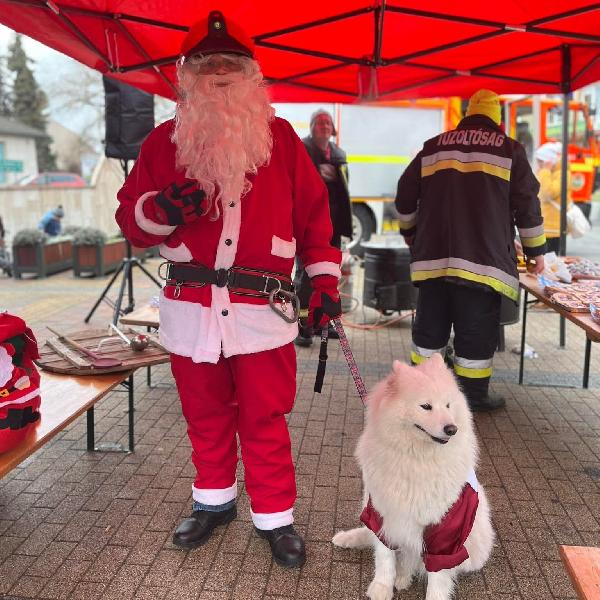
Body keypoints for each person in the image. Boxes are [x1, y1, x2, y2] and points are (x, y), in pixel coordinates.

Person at [114, 10, 341, 568]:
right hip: (191, 308)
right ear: (185, 74)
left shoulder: (283, 140)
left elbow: (316, 221)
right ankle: (213, 501)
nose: (218, 70)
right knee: (204, 410)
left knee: (264, 415)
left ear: (252, 74)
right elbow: (131, 222)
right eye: (205, 62)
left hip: (261, 309)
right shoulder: (161, 144)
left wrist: (324, 285)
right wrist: (162, 210)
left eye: (231, 61)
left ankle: (274, 515)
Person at [395, 89, 546, 412]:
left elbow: (404, 196)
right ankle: (472, 398)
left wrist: (411, 233)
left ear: (467, 113)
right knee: (475, 337)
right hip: (483, 266)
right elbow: (527, 206)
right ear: (498, 119)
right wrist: (536, 252)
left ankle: (420, 396)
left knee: (429, 335)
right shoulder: (510, 150)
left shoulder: (434, 146)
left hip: (433, 263)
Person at [293, 109, 352, 347]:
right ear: (311, 126)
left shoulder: (339, 153)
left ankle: (322, 323)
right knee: (305, 277)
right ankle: (302, 326)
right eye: (319, 123)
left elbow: (344, 189)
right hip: (308, 224)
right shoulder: (302, 149)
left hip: (333, 226)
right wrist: (318, 175)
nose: (324, 126)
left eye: (328, 123)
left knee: (329, 276)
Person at [535, 141, 569, 254]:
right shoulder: (550, 172)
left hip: (553, 228)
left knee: (548, 262)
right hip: (546, 225)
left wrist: (545, 170)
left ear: (549, 161)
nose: (539, 165)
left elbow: (546, 193)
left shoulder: (562, 174)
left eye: (541, 162)